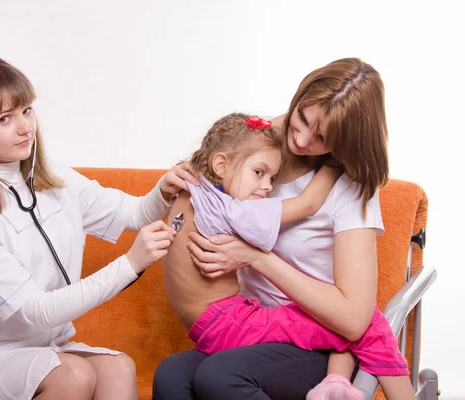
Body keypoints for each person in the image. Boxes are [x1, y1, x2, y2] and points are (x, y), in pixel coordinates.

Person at [0, 54, 197, 400]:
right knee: (74, 375)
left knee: (118, 367)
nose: (25, 127)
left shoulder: (54, 178)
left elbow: (136, 214)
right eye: (4, 118)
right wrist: (129, 264)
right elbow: (35, 311)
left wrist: (163, 191)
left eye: (26, 110)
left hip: (43, 348)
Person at [153, 57, 414, 400]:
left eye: (321, 138)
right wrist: (175, 182)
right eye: (301, 118)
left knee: (220, 376)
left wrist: (255, 258)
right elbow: (203, 184)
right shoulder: (257, 151)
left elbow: (353, 320)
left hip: (320, 340)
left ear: (345, 144)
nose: (302, 140)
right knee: (172, 375)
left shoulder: (349, 187)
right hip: (252, 329)